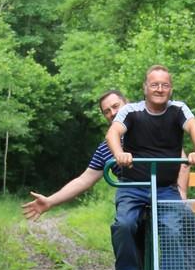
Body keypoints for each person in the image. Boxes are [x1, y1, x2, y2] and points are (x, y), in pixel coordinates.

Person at [107, 65, 195, 270]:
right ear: (145, 88)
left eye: (164, 85)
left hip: (164, 188)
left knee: (173, 230)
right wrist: (120, 153)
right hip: (133, 185)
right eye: (154, 84)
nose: (159, 89)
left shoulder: (178, 109)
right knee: (124, 224)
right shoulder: (131, 111)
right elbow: (113, 133)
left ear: (170, 89)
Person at [22, 90, 126, 248]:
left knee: (173, 228)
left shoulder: (151, 128)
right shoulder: (105, 147)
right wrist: (50, 201)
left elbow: (177, 158)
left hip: (162, 189)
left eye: (116, 106)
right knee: (124, 228)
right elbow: (84, 180)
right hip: (130, 195)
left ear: (127, 103)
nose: (113, 113)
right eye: (107, 111)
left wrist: (179, 189)